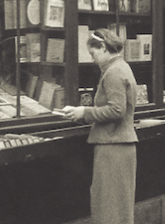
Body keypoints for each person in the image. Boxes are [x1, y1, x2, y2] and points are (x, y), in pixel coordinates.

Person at [63, 28, 138, 224]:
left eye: (93, 53)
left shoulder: (113, 72)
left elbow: (116, 110)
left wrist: (84, 112)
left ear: (103, 47)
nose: (92, 58)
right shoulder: (121, 67)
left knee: (107, 207)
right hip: (120, 145)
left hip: (113, 147)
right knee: (119, 209)